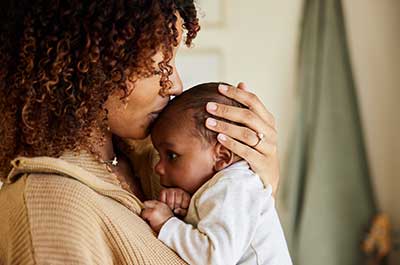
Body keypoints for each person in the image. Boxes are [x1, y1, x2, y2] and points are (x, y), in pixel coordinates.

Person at [0, 0, 280, 264]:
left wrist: (257, 184)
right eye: (158, 66)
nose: (175, 85)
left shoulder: (157, 157)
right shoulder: (48, 211)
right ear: (90, 62)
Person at [141, 82, 292, 265]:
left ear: (222, 156)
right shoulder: (227, 185)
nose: (158, 167)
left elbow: (215, 257)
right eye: (159, 155)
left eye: (171, 155)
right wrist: (189, 210)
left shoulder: (233, 186)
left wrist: (167, 224)